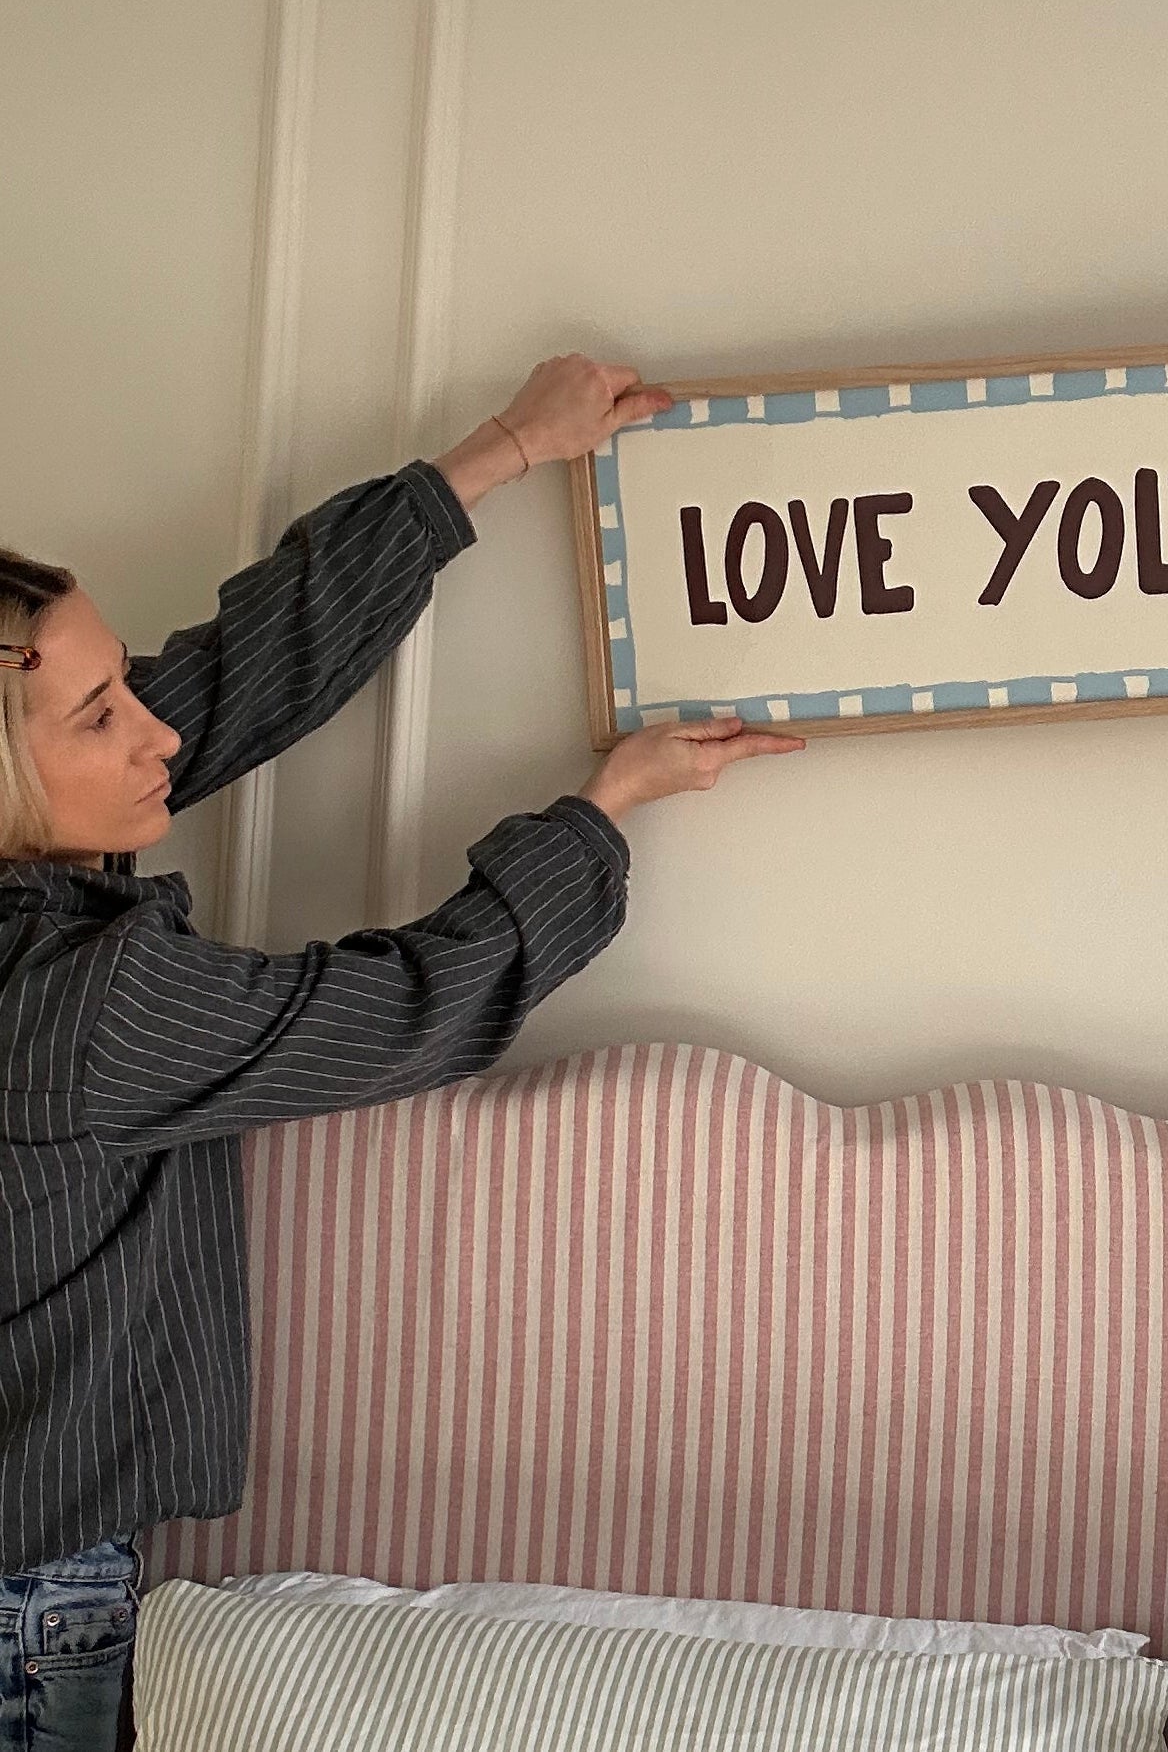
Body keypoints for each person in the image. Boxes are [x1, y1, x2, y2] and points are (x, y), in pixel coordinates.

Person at [0, 353, 804, 1750]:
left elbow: (241, 670)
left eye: (124, 683)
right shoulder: (77, 1005)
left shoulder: (41, 877)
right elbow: (411, 1006)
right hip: (30, 1597)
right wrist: (603, 812)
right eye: (102, 715)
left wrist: (504, 448)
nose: (158, 729)